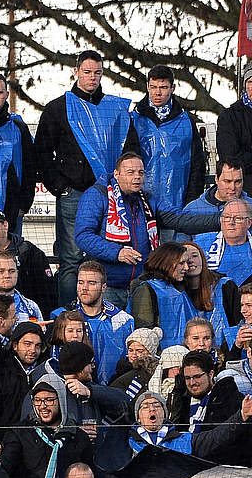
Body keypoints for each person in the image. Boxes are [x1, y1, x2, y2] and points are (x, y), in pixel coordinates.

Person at [33, 50, 140, 306]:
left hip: (112, 195)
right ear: (76, 71)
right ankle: (69, 315)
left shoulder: (116, 109)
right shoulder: (58, 108)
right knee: (70, 258)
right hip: (74, 193)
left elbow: (131, 148)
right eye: (87, 72)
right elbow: (41, 152)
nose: (92, 78)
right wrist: (60, 187)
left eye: (97, 73)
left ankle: (103, 310)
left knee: (104, 255)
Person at [76, 155, 216, 308]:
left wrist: (220, 220)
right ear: (117, 174)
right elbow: (83, 236)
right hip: (108, 286)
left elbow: (180, 219)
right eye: (131, 172)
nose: (137, 177)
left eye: (141, 172)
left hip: (141, 285)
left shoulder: (148, 199)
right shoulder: (96, 195)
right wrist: (118, 252)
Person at [131, 66, 206, 217]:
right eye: (153, 87)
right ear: (147, 86)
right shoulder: (133, 120)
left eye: (163, 87)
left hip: (178, 206)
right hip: (140, 205)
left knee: (176, 242)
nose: (157, 92)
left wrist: (191, 201)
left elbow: (197, 165)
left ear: (173, 88)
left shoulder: (186, 122)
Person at [0, 73, 36, 229]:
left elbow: (29, 167)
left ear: (6, 94)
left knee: (10, 251)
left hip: (12, 206)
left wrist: (24, 203)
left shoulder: (18, 127)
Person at [194, 197, 252, 286]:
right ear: (221, 220)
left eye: (238, 218)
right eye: (227, 217)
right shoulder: (201, 242)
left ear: (249, 223)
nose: (231, 222)